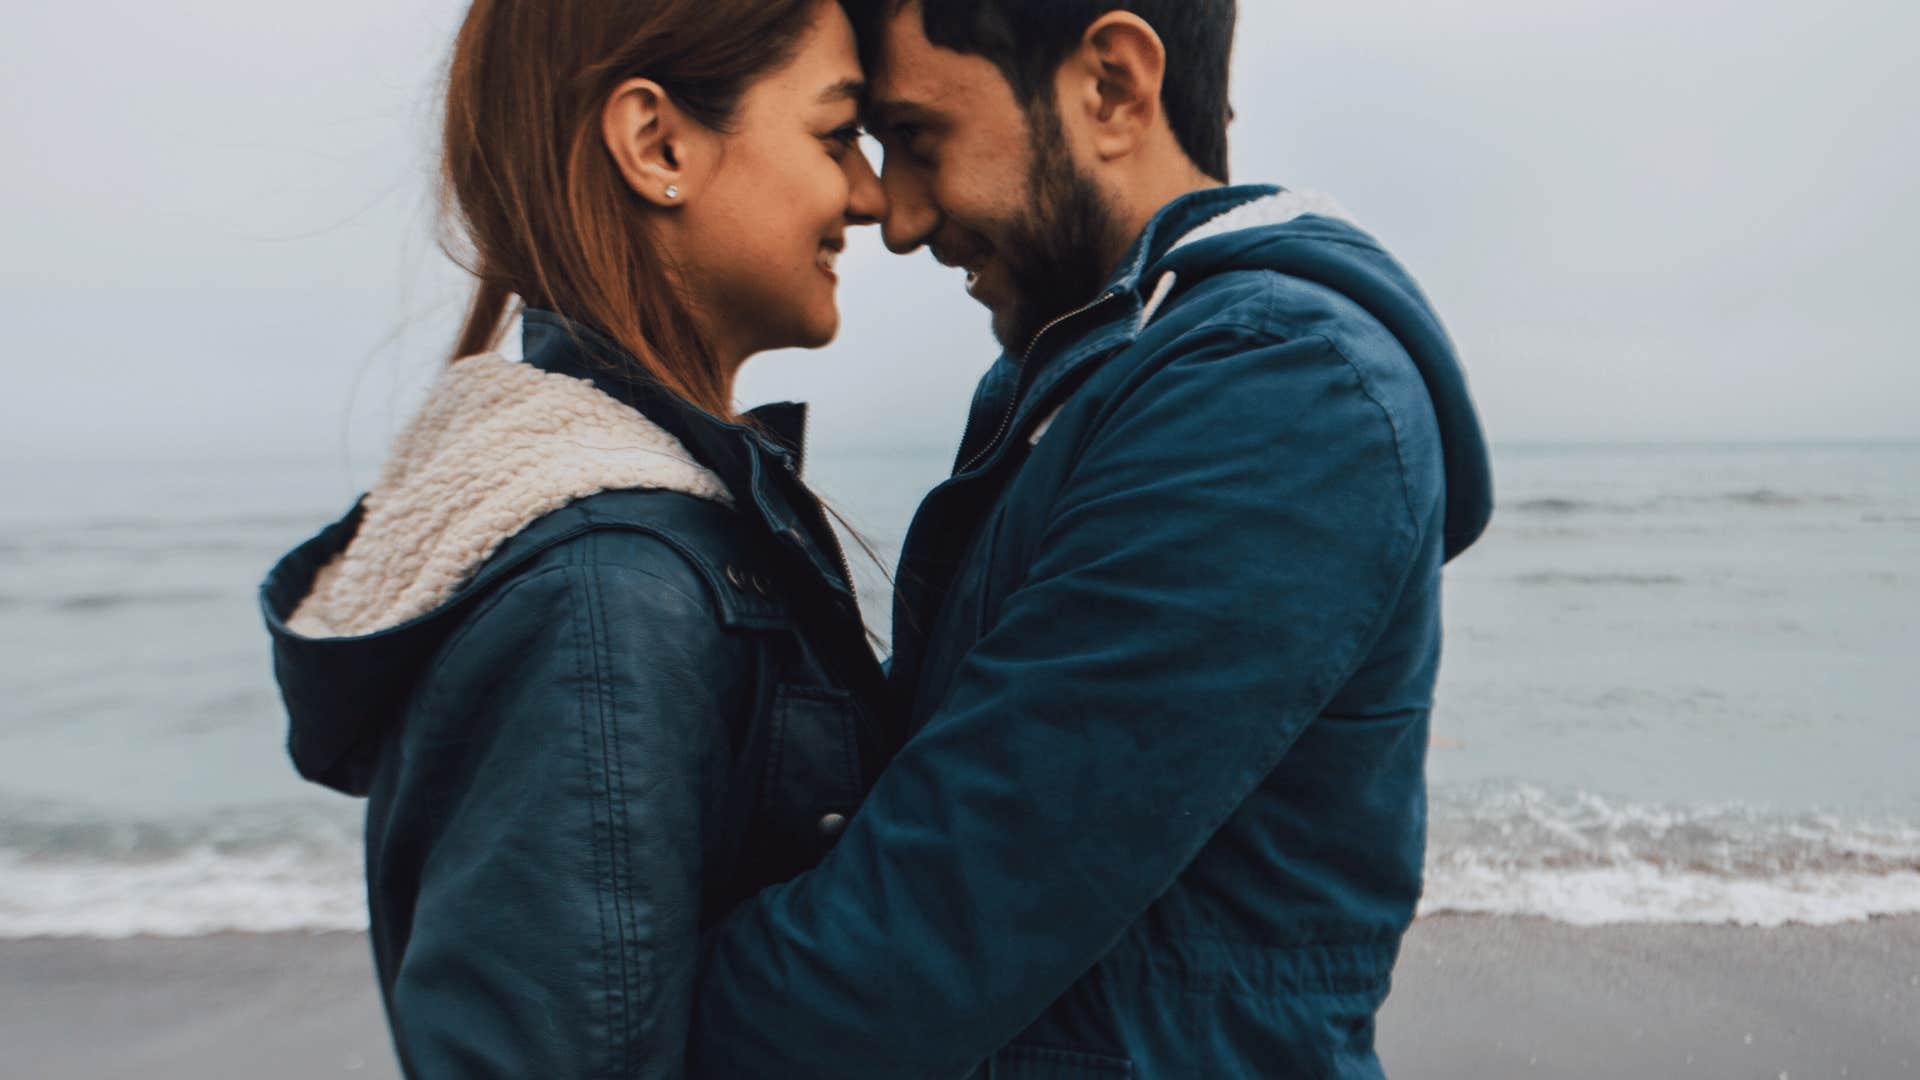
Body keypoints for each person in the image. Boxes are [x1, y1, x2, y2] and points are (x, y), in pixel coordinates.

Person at [688, 2, 1495, 1077]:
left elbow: (936, 924)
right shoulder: (1091, 376)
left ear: (1112, 87)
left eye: (919, 137)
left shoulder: (1276, 389)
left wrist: (604, 1020)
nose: (899, 217)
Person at [259, 1, 892, 1075]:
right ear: (658, 145)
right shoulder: (605, 592)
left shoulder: (639, 537)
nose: (872, 198)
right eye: (837, 136)